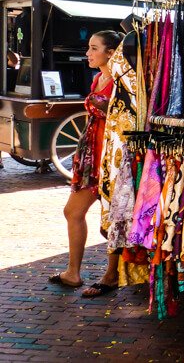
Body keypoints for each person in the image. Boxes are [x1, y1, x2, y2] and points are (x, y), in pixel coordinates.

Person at [48, 30, 124, 297]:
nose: (88, 53)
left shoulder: (121, 80)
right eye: (89, 48)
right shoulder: (98, 78)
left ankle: (111, 274)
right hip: (92, 153)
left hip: (111, 154)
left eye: (94, 48)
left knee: (113, 217)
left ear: (111, 53)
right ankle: (73, 272)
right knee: (73, 211)